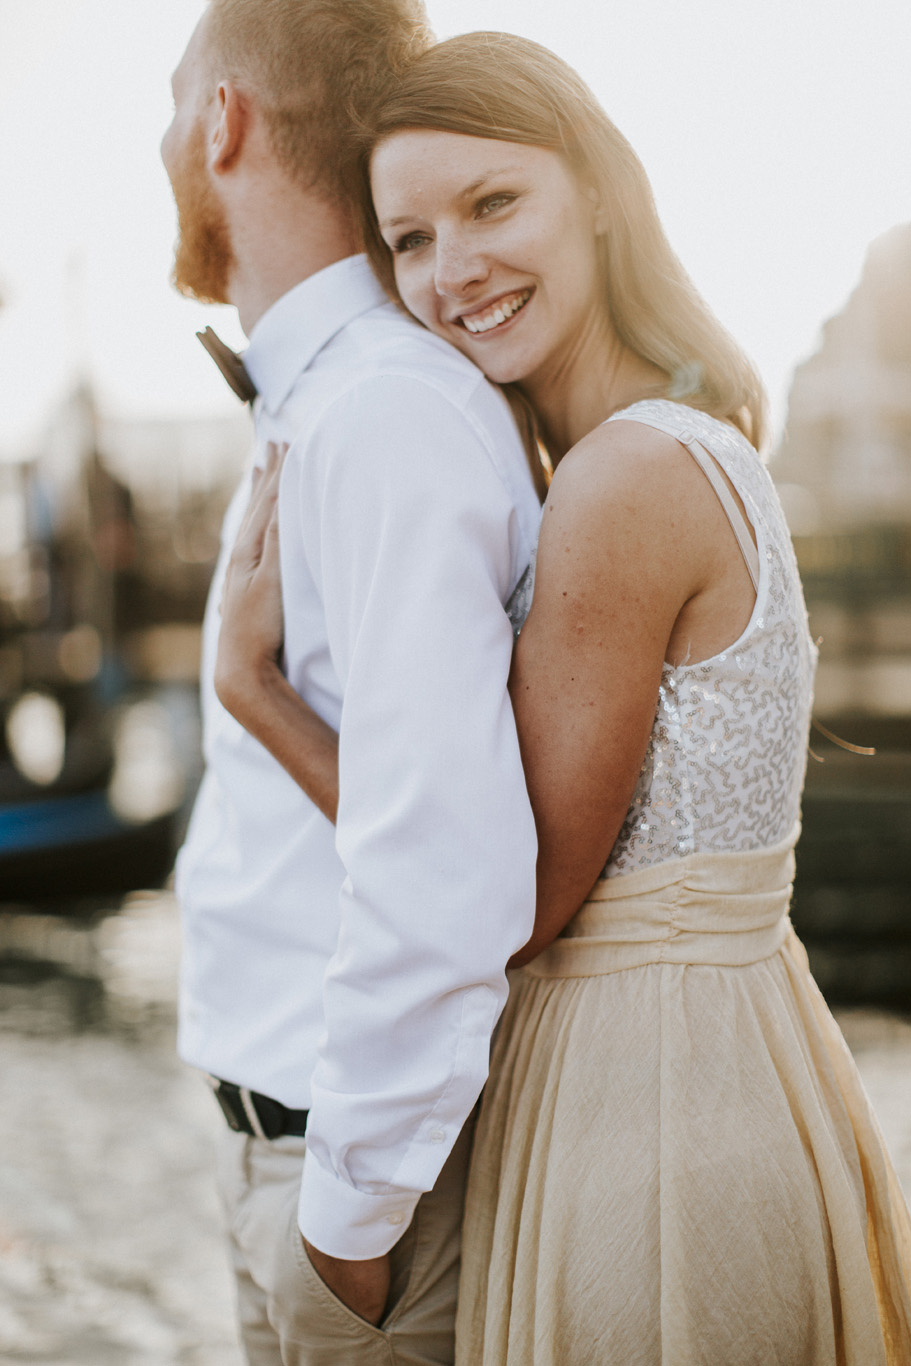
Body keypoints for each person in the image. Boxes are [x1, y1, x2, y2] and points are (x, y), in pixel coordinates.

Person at [217, 31, 911, 1366]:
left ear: (595, 189)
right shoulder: (669, 442)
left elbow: (514, 888)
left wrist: (261, 691)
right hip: (716, 1060)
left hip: (647, 1115)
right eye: (409, 239)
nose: (452, 271)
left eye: (492, 204)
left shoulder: (620, 482)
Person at [161, 7, 545, 1363]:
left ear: (224, 122)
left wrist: (346, 1224)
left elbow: (449, 862)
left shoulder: (383, 409)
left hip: (351, 1198)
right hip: (277, 1156)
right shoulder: (323, 402)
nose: (166, 142)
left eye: (173, 106)